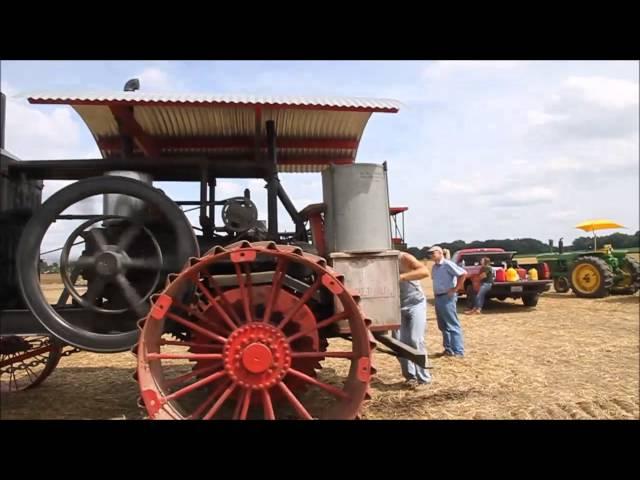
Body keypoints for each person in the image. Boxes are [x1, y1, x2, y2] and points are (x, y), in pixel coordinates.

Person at [392, 250, 432, 388]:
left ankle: (424, 378)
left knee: (415, 339)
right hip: (396, 305)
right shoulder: (376, 262)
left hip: (415, 303)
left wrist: (401, 277)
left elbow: (424, 271)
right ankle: (410, 377)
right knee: (399, 343)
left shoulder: (402, 257)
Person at [428, 245, 467, 357]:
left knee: (452, 324)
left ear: (440, 253)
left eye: (433, 253)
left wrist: (455, 289)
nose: (431, 255)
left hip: (447, 297)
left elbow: (463, 273)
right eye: (430, 253)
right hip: (439, 296)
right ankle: (448, 349)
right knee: (443, 325)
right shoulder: (435, 267)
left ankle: (458, 351)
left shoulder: (447, 264)